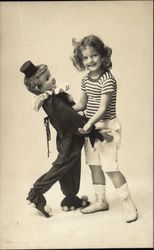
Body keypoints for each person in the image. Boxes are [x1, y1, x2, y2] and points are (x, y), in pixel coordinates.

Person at [20, 60, 103, 218]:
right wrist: (89, 128)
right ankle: (36, 193)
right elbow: (70, 118)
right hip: (70, 138)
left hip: (68, 137)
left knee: (70, 169)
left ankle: (70, 198)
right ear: (38, 87)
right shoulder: (53, 101)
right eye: (46, 79)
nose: (51, 79)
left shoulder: (54, 96)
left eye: (49, 76)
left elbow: (71, 112)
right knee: (61, 167)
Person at [71, 35, 138, 223]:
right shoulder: (85, 79)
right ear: (80, 60)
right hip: (90, 128)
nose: (90, 60)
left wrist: (88, 123)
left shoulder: (107, 79)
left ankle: (128, 203)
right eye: (85, 57)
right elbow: (82, 104)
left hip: (105, 129)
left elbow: (103, 108)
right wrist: (65, 110)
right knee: (94, 166)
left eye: (94, 55)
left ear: (102, 55)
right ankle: (100, 200)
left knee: (110, 167)